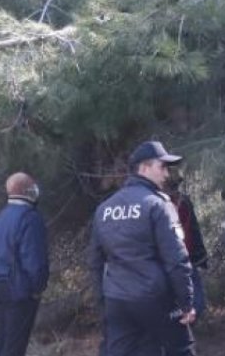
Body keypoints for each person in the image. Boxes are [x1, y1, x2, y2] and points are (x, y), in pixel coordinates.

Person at [87, 141, 197, 356]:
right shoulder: (158, 205)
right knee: (181, 349)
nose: (166, 174)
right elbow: (176, 259)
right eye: (162, 167)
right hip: (155, 298)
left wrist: (104, 303)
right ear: (144, 168)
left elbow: (95, 262)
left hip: (117, 301)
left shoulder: (105, 208)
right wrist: (186, 302)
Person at [0, 172, 50, 356]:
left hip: (0, 284)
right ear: (27, 190)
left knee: (0, 339)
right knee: (15, 345)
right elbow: (34, 260)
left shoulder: (0, 217)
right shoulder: (30, 218)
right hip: (21, 290)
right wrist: (37, 287)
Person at [164, 168, 209, 356]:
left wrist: (200, 257)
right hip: (170, 265)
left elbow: (193, 230)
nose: (175, 189)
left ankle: (184, 337)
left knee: (198, 304)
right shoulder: (158, 206)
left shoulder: (184, 203)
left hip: (188, 261)